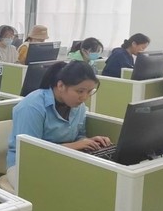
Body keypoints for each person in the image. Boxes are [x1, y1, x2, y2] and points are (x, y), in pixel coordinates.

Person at [6, 61, 111, 190]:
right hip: (24, 165)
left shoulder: (78, 106)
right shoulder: (32, 106)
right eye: (80, 91)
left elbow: (78, 135)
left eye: (90, 92)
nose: (84, 97)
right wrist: (74, 146)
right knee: (57, 190)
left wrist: (88, 142)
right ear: (61, 86)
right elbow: (30, 153)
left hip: (62, 160)